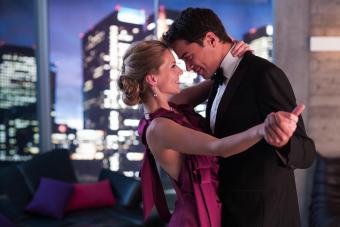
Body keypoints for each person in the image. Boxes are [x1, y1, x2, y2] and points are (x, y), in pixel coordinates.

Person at [118, 40, 304, 227]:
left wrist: (238, 57)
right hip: (196, 219)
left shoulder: (173, 105)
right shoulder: (158, 128)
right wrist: (265, 127)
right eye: (173, 66)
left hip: (213, 210)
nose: (180, 71)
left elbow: (222, 78)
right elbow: (219, 147)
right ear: (152, 79)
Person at [162, 7, 316, 227]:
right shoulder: (216, 81)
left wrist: (284, 142)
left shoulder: (264, 75)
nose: (187, 67)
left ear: (211, 39)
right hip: (229, 211)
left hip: (263, 216)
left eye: (188, 57)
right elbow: (171, 105)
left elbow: (307, 152)